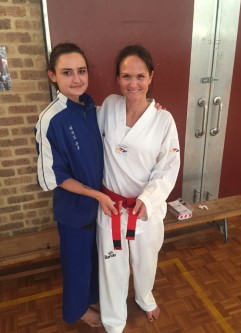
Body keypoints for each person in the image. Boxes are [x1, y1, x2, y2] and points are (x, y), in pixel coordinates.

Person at [96, 44, 180, 333]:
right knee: (112, 268)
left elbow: (168, 166)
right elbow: (86, 130)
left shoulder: (163, 119)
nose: (133, 84)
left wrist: (148, 198)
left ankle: (144, 298)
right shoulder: (107, 106)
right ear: (118, 79)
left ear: (151, 77)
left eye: (140, 76)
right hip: (111, 207)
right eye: (126, 76)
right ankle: (114, 322)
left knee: (146, 263)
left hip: (145, 209)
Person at [35, 43, 118, 327]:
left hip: (98, 206)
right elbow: (54, 178)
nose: (77, 79)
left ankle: (92, 298)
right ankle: (77, 310)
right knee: (77, 265)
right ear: (52, 76)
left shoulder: (92, 107)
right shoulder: (51, 119)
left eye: (81, 71)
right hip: (75, 209)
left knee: (95, 260)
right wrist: (95, 194)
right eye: (67, 72)